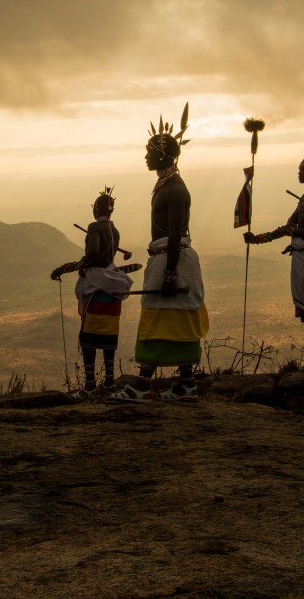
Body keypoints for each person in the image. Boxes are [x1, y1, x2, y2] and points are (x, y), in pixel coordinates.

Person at [111, 105, 210, 403]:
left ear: (164, 156)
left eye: (149, 153)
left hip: (172, 259)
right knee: (174, 318)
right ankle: (186, 384)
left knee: (158, 318)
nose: (145, 157)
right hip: (169, 257)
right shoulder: (167, 186)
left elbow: (177, 230)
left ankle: (141, 386)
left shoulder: (176, 190)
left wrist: (169, 272)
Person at [244, 143, 304, 373]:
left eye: (303, 170)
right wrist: (258, 238)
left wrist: (293, 233)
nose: (299, 173)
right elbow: (290, 225)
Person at [51, 188, 133, 400]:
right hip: (112, 286)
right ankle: (109, 381)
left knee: (88, 338)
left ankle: (89, 385)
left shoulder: (94, 227)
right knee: (108, 337)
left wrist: (77, 265)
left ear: (96, 209)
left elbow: (94, 252)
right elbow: (105, 255)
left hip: (96, 285)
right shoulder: (115, 230)